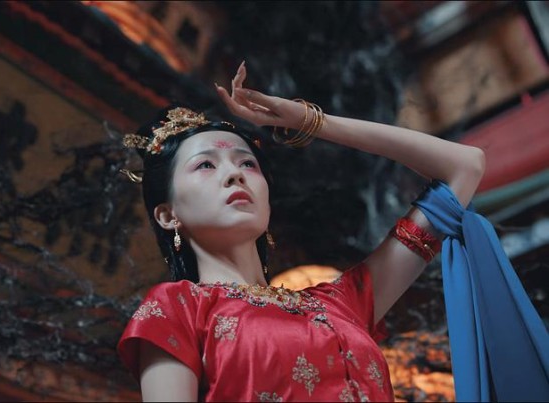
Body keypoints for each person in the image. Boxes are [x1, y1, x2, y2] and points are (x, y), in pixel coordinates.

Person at [116, 62, 488, 401]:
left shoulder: (342, 304)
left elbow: (464, 166)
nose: (234, 174)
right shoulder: (177, 308)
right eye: (205, 166)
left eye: (247, 163)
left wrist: (311, 122)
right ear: (168, 215)